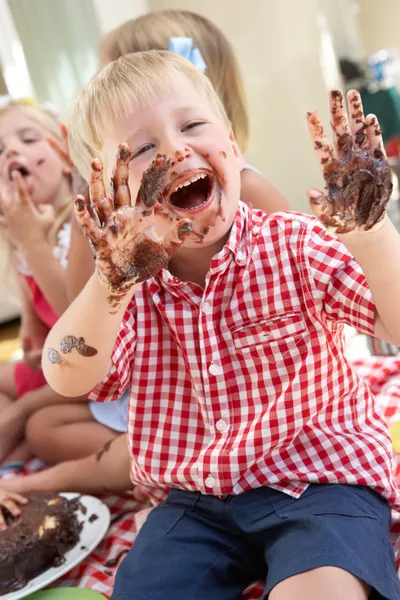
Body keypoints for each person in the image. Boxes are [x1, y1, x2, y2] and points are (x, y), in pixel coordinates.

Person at [43, 50, 400, 599]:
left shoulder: (295, 244)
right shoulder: (129, 291)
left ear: (232, 149)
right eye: (141, 149)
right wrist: (108, 285)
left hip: (321, 478)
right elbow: (67, 376)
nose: (174, 148)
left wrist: (372, 235)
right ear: (110, 196)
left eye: (191, 125)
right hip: (197, 501)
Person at [9, 10, 290, 495]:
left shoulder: (249, 193)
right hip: (148, 386)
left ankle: (32, 481)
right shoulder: (121, 217)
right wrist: (90, 189)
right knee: (37, 416)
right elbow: (77, 314)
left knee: (44, 425)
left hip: (230, 405)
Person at [0, 99, 121, 467]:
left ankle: (22, 442)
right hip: (63, 363)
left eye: (29, 139)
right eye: (0, 150)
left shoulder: (84, 227)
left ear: (67, 156)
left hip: (102, 366)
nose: (13, 151)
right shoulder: (23, 234)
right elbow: (38, 323)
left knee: (40, 427)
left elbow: (77, 321)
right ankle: (17, 456)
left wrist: (31, 243)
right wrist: (34, 338)